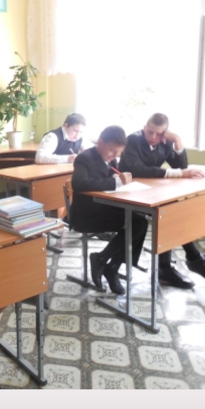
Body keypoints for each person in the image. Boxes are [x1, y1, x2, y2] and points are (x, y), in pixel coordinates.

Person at [118, 113, 205, 289]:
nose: (153, 137)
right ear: (144, 128)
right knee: (168, 212)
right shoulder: (133, 140)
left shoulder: (166, 142)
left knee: (173, 209)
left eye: (159, 133)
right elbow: (139, 170)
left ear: (165, 133)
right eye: (150, 132)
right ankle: (189, 260)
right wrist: (178, 173)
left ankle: (172, 266)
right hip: (126, 194)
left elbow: (182, 166)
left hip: (150, 191)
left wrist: (177, 140)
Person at [70, 125, 148, 295]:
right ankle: (106, 263)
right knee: (135, 224)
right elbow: (79, 184)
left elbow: (106, 178)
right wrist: (115, 182)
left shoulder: (111, 160)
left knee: (140, 222)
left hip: (106, 208)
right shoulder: (84, 158)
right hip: (87, 213)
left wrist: (117, 178)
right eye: (112, 151)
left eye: (118, 153)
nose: (114, 156)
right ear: (100, 142)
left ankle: (109, 264)